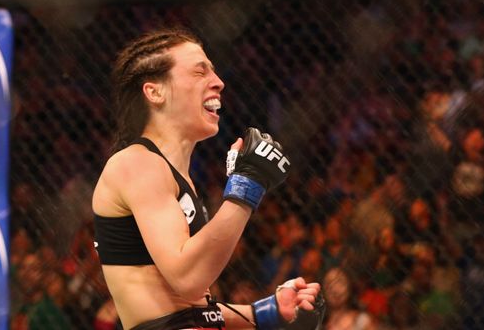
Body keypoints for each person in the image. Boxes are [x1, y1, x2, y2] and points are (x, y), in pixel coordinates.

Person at [92, 28, 323, 330]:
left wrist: (266, 313)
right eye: (199, 72)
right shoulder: (137, 163)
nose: (218, 82)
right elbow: (186, 279)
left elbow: (186, 304)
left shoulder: (172, 174)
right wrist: (247, 184)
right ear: (155, 92)